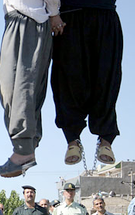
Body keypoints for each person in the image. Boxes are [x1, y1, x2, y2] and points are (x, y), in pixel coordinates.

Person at [0, 0, 61, 178]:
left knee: (24, 87)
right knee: (7, 89)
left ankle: (24, 149)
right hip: (12, 20)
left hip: (32, 20)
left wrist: (54, 14)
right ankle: (27, 146)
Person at [51, 0, 123, 166]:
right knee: (67, 79)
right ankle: (72, 139)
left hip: (105, 15)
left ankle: (106, 139)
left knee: (107, 78)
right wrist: (53, 14)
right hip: (71, 15)